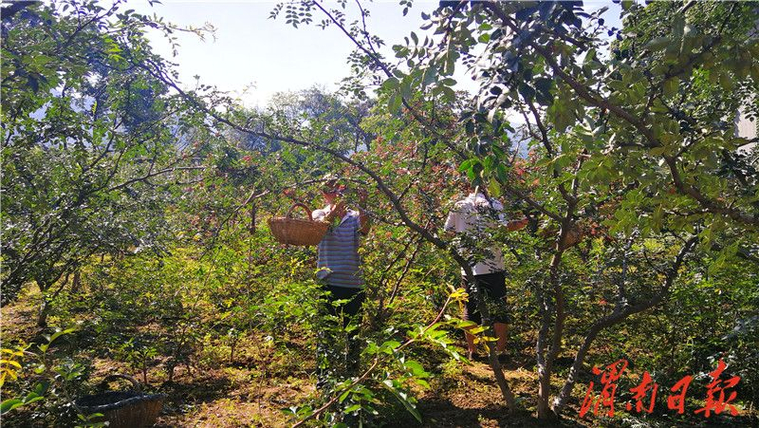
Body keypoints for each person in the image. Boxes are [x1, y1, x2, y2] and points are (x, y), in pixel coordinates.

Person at [444, 185, 528, 361]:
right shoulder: (494, 205)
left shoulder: (458, 206)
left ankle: (472, 351)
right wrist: (520, 224)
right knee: (499, 308)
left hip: (469, 267)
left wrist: (463, 241)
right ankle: (501, 351)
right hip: (494, 266)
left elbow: (448, 232)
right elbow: (504, 228)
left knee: (470, 309)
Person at [311, 176, 370, 388]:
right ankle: (323, 378)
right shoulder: (318, 214)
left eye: (339, 190)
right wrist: (335, 211)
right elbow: (321, 227)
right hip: (328, 282)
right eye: (331, 191)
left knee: (352, 333)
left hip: (353, 284)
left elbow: (365, 230)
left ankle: (352, 377)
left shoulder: (354, 217)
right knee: (326, 332)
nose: (336, 194)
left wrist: (363, 205)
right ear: (324, 195)